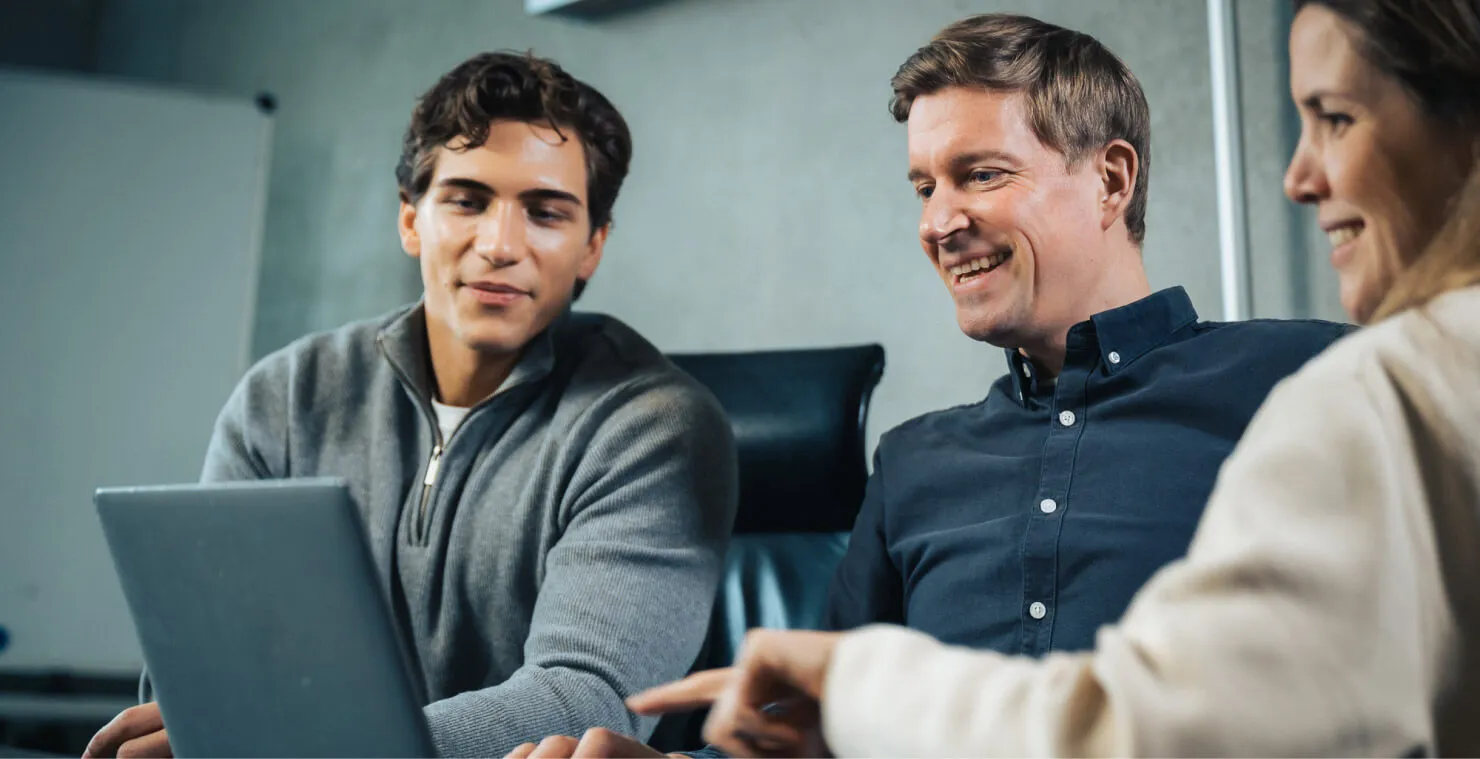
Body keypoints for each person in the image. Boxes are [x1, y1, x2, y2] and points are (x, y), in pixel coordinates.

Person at [633, 0, 1480, 755]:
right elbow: (813, 726)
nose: (938, 221)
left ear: (1112, 179)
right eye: (924, 186)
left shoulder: (1322, 380)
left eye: (981, 174)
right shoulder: (912, 462)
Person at [84, 51, 738, 759]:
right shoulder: (286, 396)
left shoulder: (653, 427)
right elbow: (205, 672)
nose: (500, 244)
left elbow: (586, 700)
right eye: (467, 199)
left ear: (591, 248)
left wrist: (311, 744)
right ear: (410, 220)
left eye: (546, 212)